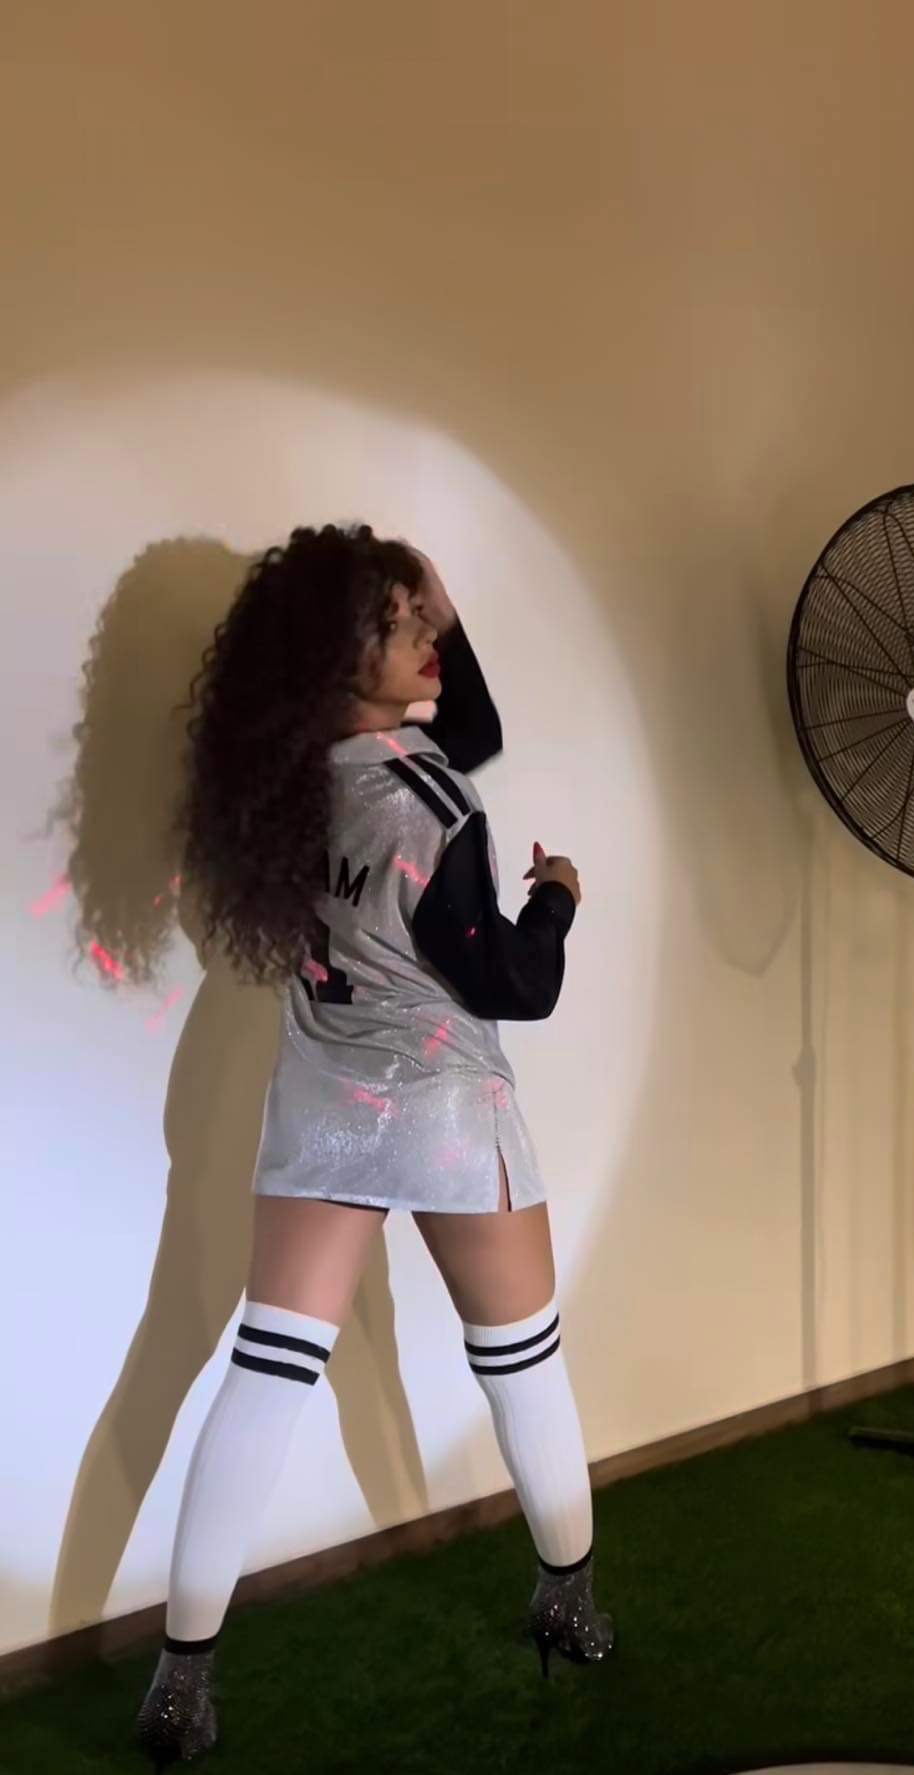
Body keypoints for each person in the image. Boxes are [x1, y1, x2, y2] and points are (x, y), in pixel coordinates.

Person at [136, 523, 613, 1766]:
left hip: (324, 1100)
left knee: (261, 1373)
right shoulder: (434, 802)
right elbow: (512, 982)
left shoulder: (285, 781)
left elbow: (464, 727)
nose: (429, 640)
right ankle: (567, 1594)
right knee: (522, 1363)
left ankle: (181, 1674)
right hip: (448, 1106)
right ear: (344, 652)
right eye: (405, 627)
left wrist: (428, 602)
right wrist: (557, 896)